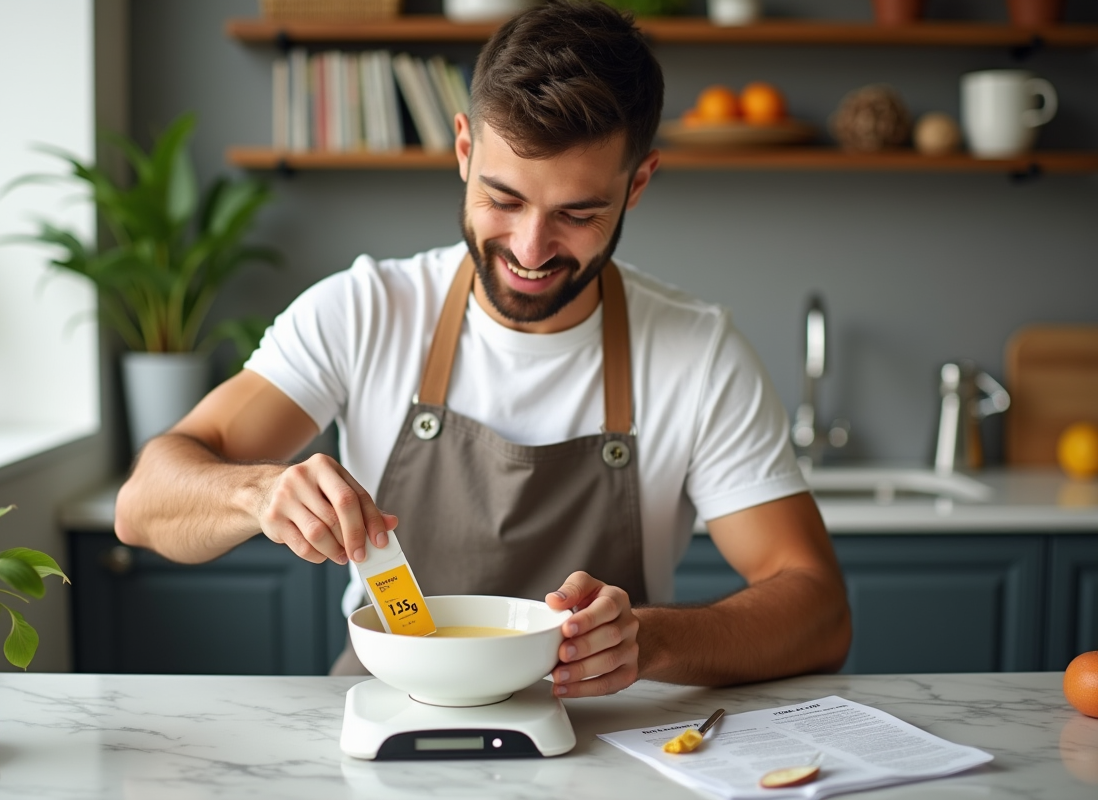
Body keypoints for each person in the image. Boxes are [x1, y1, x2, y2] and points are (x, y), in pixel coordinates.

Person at [115, 0, 851, 697]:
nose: (530, 249)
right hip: (384, 715)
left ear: (638, 185)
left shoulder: (698, 353)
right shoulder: (364, 310)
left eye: (577, 212)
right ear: (464, 148)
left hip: (603, 736)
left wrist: (650, 641)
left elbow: (818, 611)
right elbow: (143, 506)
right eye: (503, 199)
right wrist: (259, 492)